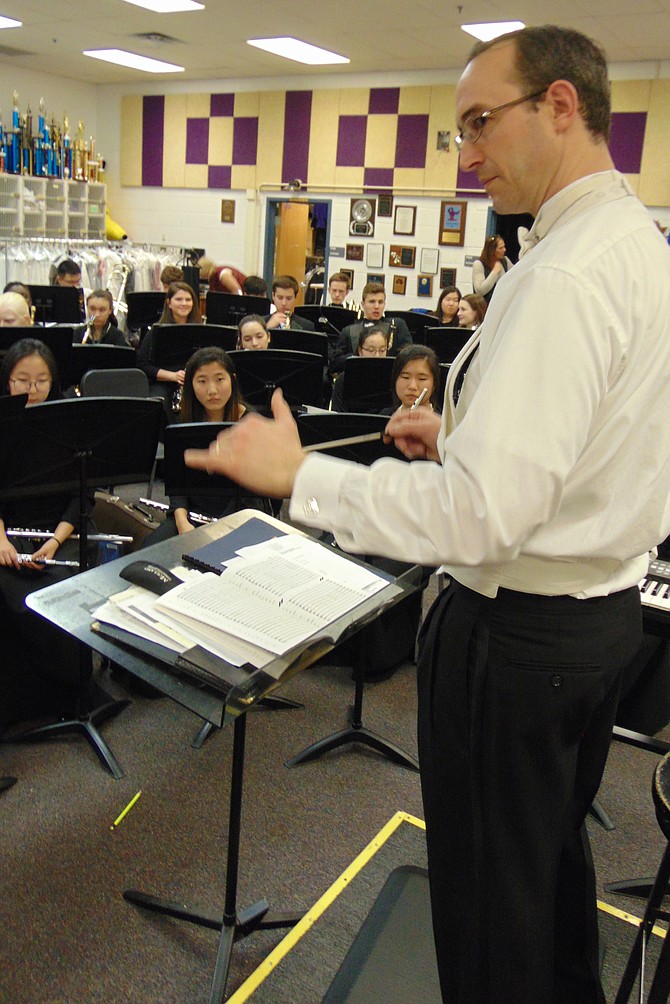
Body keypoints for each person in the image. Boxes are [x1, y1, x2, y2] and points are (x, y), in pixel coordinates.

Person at [185, 25, 670, 1004]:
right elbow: (595, 442)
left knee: (491, 922)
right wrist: (464, 437)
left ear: (562, 107)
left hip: (518, 640)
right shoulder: (634, 245)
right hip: (597, 621)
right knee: (546, 878)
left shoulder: (567, 274)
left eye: (481, 123)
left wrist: (298, 478)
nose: (469, 154)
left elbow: (482, 518)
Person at [0, 338, 90, 723]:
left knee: (63, 590)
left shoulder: (70, 423)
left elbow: (83, 497)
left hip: (62, 530)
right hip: (9, 530)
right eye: (22, 380)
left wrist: (55, 540)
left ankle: (70, 693)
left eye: (41, 380)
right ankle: (18, 700)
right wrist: (0, 537)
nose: (32, 389)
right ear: (7, 381)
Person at [144, 346, 268, 543]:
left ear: (232, 380)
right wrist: (182, 522)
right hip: (191, 514)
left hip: (241, 516)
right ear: (190, 385)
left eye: (220, 379)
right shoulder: (183, 424)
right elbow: (177, 486)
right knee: (150, 551)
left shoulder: (252, 424)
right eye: (202, 381)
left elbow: (253, 492)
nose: (212, 390)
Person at [136, 281, 201, 401]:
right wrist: (173, 376)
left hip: (194, 381)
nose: (184, 303)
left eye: (188, 300)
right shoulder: (156, 331)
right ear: (169, 303)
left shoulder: (201, 331)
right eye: (179, 299)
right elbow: (142, 365)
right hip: (164, 383)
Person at [330, 282, 412, 375]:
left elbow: (409, 355)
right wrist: (359, 355)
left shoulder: (397, 325)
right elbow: (335, 364)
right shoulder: (349, 330)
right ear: (363, 304)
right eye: (372, 302)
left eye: (380, 302)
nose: (376, 306)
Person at [330, 324, 389, 412]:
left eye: (382, 350)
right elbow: (338, 415)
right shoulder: (344, 380)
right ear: (360, 351)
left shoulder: (393, 379)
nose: (377, 355)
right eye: (371, 350)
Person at [384, 344, 441, 413]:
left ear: (434, 384)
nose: (412, 386)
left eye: (421, 378)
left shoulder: (445, 422)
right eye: (405, 377)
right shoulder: (383, 417)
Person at [472, 234, 514, 303]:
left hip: (503, 303)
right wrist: (494, 272)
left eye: (504, 247)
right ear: (492, 250)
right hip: (486, 306)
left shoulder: (505, 261)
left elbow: (516, 275)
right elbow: (480, 291)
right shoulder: (479, 264)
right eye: (500, 248)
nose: (504, 250)